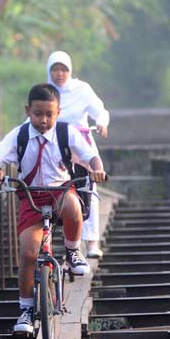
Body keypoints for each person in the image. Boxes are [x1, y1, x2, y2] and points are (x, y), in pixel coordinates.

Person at [0, 83, 107, 336]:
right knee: (29, 253)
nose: (43, 120)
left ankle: (73, 253)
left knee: (74, 206)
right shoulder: (19, 135)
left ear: (58, 112)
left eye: (49, 114)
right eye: (38, 114)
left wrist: (97, 168)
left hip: (60, 191)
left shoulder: (66, 133)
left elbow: (90, 154)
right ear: (28, 111)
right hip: (30, 196)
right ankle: (26, 310)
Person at [45, 51, 110, 258]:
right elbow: (33, 120)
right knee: (51, 188)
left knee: (89, 188)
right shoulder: (46, 93)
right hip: (54, 148)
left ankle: (92, 243)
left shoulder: (82, 89)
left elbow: (100, 110)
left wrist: (101, 122)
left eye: (64, 69)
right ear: (49, 71)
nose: (60, 74)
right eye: (55, 69)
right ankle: (49, 238)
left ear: (70, 71)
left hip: (80, 147)